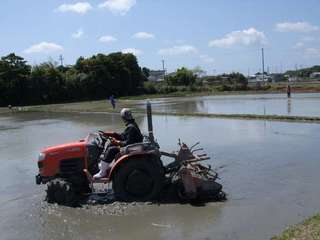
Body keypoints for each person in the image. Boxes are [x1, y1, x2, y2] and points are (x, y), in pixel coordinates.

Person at [93, 108, 143, 179]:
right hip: (132, 146)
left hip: (131, 148)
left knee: (112, 149)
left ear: (123, 118)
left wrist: (117, 142)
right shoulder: (131, 125)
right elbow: (123, 136)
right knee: (111, 144)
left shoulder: (131, 127)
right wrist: (112, 134)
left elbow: (127, 142)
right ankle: (103, 165)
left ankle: (102, 172)